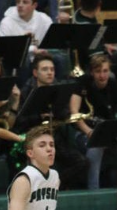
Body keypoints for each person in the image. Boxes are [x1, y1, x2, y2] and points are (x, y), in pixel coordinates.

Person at [16, 52, 89, 189]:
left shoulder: (59, 89)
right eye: (45, 69)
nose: (50, 73)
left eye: (52, 69)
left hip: (56, 138)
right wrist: (39, 117)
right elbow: (19, 122)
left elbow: (64, 113)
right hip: (31, 139)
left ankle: (55, 185)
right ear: (35, 73)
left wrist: (63, 114)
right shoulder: (26, 91)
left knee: (82, 162)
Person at [70, 54, 117, 189]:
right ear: (92, 72)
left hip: (109, 132)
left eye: (105, 71)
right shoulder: (82, 83)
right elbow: (74, 113)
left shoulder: (116, 85)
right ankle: (94, 192)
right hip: (85, 132)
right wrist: (88, 131)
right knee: (95, 147)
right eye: (98, 71)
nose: (102, 75)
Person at [73, 0, 117, 95]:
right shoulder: (83, 25)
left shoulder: (81, 14)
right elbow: (95, 56)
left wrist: (104, 45)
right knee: (109, 75)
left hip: (101, 53)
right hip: (90, 63)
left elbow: (92, 42)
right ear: (98, 7)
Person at [0, 0, 65, 85]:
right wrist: (31, 49)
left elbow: (53, 41)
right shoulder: (6, 22)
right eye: (18, 2)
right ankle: (24, 93)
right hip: (17, 59)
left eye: (25, 2)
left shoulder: (44, 19)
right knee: (24, 59)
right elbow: (6, 48)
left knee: (60, 58)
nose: (20, 5)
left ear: (35, 5)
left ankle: (56, 89)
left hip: (41, 55)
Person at [0, 52, 21, 194]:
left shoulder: (6, 87)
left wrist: (16, 102)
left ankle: (17, 184)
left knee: (16, 144)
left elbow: (10, 125)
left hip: (2, 132)